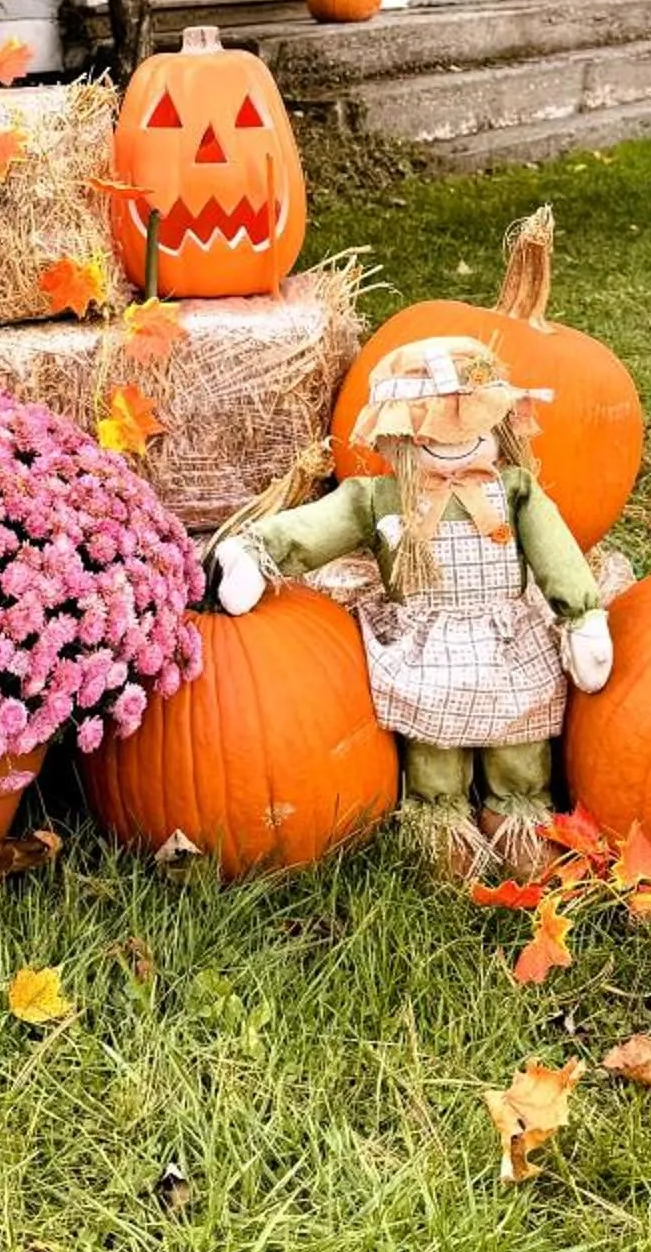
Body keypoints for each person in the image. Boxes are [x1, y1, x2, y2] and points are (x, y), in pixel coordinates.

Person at [215, 333, 612, 876]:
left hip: (505, 632)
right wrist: (262, 551)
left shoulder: (515, 491)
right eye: (433, 431)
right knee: (434, 737)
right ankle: (440, 814)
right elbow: (322, 525)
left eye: (471, 426)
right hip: (430, 639)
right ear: (400, 435)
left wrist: (581, 614)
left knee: (519, 726)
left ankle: (518, 809)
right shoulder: (380, 498)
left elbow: (555, 552)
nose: (454, 444)